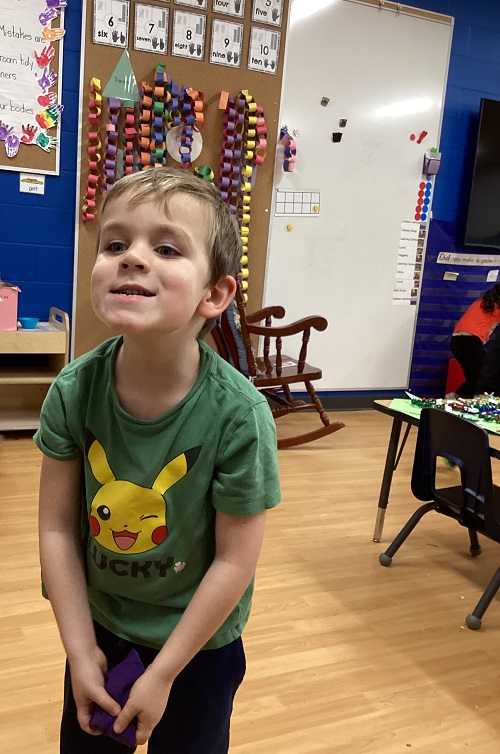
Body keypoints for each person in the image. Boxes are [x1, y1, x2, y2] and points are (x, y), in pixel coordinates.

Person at [35, 167, 281, 753]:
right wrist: (78, 649)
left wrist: (165, 672)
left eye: (165, 247)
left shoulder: (239, 417)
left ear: (214, 294)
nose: (132, 258)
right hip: (101, 634)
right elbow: (55, 529)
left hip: (198, 649)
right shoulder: (73, 391)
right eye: (115, 243)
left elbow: (234, 562)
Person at [448, 283, 500, 398]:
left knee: (475, 377)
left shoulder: (481, 302)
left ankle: (456, 397)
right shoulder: (497, 307)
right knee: (482, 377)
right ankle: (458, 397)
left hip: (457, 340)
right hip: (470, 341)